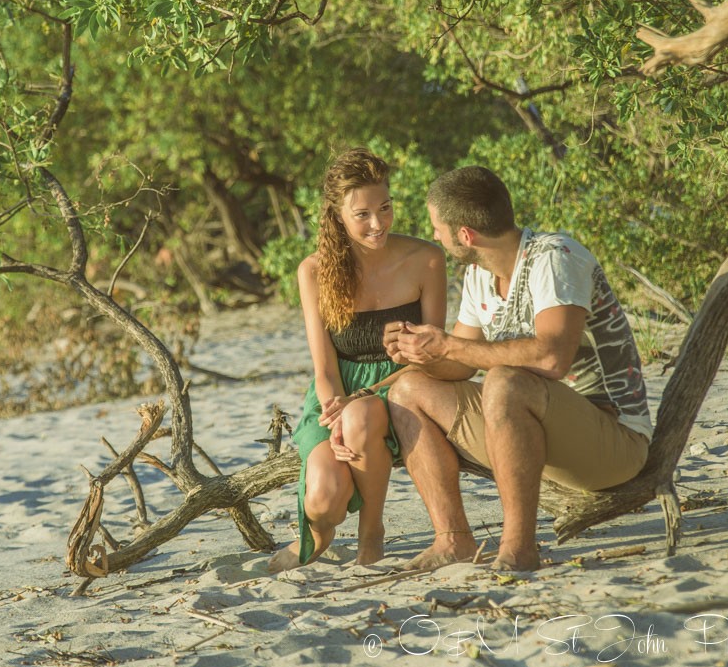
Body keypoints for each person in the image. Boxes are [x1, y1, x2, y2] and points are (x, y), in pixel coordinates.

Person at [384, 166, 652, 572]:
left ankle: (519, 547)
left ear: (465, 234)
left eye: (437, 227)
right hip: (536, 429)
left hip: (613, 440)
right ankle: (452, 540)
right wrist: (418, 354)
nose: (434, 235)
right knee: (407, 391)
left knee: (505, 381)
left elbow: (550, 358)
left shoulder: (555, 257)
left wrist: (448, 345)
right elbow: (459, 362)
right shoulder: (478, 275)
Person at [269, 149, 446, 572]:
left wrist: (361, 402)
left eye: (384, 208)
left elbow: (433, 355)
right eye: (362, 214)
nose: (378, 224)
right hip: (337, 393)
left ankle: (372, 536)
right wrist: (333, 422)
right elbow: (325, 369)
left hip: (403, 386)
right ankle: (317, 533)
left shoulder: (427, 259)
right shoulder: (314, 271)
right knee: (324, 502)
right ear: (337, 215)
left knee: (363, 416)